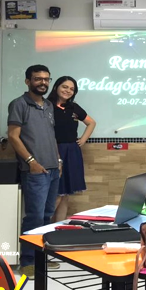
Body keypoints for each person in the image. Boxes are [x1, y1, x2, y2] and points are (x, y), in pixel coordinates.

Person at [7, 64, 62, 279]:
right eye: (38, 79)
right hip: (34, 171)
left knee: (47, 215)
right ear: (28, 81)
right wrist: (31, 161)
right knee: (35, 216)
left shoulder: (48, 105)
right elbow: (13, 136)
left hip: (52, 169)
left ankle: (41, 257)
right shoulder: (19, 104)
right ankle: (28, 261)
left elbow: (51, 135)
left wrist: (58, 159)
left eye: (46, 79)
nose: (43, 83)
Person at [48, 76, 96, 221]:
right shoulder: (47, 106)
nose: (68, 91)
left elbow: (91, 123)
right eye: (64, 87)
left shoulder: (74, 107)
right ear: (56, 87)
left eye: (72, 89)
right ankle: (43, 227)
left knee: (65, 195)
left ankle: (59, 227)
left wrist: (83, 139)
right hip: (54, 151)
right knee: (56, 193)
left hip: (72, 152)